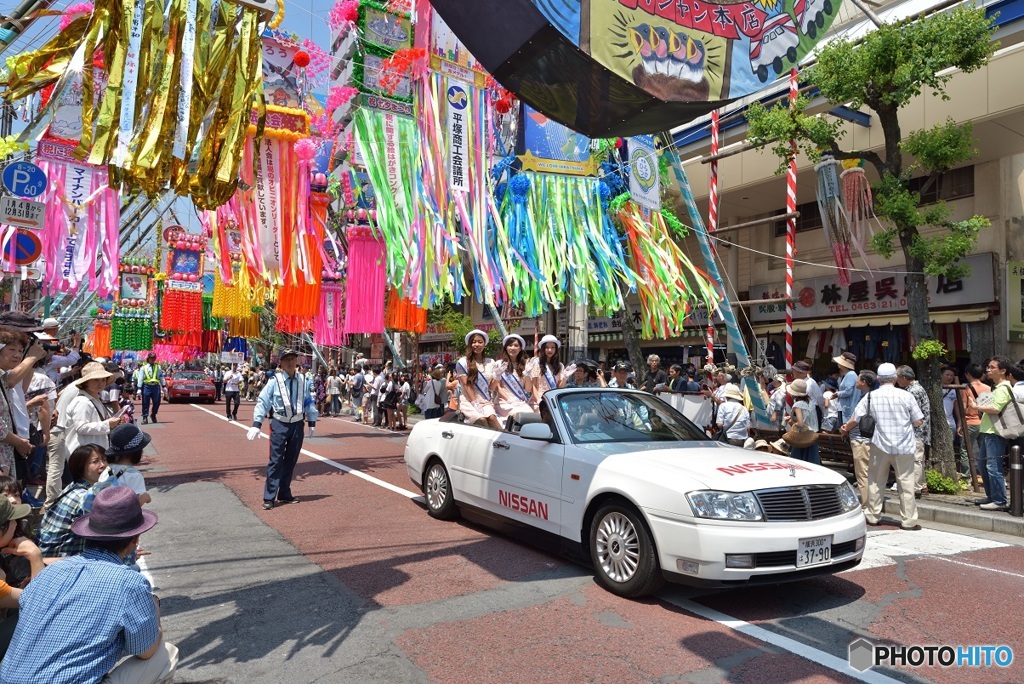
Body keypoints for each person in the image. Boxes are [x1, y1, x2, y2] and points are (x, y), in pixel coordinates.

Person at [2, 486, 178, 684]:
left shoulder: (49, 572)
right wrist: (154, 609)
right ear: (135, 540)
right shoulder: (129, 582)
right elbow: (146, 651)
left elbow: (27, 608)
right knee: (166, 655)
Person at [841, 362, 923, 530]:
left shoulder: (871, 396)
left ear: (878, 378)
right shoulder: (906, 396)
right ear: (895, 378)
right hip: (904, 445)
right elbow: (918, 421)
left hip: (879, 444)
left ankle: (873, 515)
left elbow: (856, 418)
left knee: (876, 481)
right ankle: (909, 520)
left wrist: (845, 428)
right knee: (906, 483)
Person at [247, 349, 318, 510]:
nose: (290, 362)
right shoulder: (274, 381)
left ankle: (285, 492)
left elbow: (308, 401)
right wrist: (256, 424)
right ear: (281, 362)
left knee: (291, 460)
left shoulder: (303, 380)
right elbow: (263, 401)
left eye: (293, 359)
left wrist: (312, 421)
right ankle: (269, 496)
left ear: (296, 361)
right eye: (287, 359)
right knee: (275, 460)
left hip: (297, 424)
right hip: (279, 423)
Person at [37, 444, 110, 557]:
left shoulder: (73, 486)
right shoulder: (85, 497)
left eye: (104, 459)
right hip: (58, 561)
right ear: (81, 468)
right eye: (95, 462)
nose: (103, 465)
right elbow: (102, 533)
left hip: (47, 555)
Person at [969, 356, 1013, 511]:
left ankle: (1000, 500)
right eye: (988, 367)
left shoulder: (1003, 388)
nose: (988, 370)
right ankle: (992, 496)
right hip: (989, 430)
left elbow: (996, 409)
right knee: (984, 465)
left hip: (995, 432)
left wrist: (977, 407)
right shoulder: (996, 387)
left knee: (993, 467)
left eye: (992, 367)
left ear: (1002, 371)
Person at [63, 362, 123, 458]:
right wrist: (108, 424)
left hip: (92, 452)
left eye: (103, 380)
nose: (100, 384)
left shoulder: (94, 399)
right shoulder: (83, 401)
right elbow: (81, 427)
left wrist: (112, 423)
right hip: (84, 454)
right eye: (96, 380)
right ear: (86, 382)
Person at [456, 330, 502, 430]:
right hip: (469, 401)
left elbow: (491, 388)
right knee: (482, 420)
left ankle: (505, 441)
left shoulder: (491, 362)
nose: (477, 344)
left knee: (492, 419)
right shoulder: (463, 362)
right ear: (469, 344)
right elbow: (466, 386)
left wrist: (498, 376)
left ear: (484, 344)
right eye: (474, 342)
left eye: (480, 342)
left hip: (485, 400)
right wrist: (475, 403)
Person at [895, 365, 931, 497]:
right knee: (919, 459)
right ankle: (922, 485)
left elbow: (912, 414)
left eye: (897, 377)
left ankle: (915, 488)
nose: (896, 380)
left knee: (915, 459)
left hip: (916, 431)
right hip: (919, 430)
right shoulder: (914, 388)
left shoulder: (913, 391)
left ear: (904, 377)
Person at [100, 423, 152, 505]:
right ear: (137, 452)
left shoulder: (107, 469)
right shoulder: (134, 475)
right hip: (123, 516)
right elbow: (134, 506)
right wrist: (145, 498)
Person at [492, 334, 534, 421]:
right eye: (510, 345)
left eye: (516, 345)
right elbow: (497, 388)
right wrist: (509, 400)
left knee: (531, 416)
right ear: (506, 347)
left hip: (520, 402)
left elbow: (528, 389)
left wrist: (527, 374)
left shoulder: (526, 364)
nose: (513, 348)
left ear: (520, 348)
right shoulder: (499, 364)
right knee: (517, 415)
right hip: (503, 402)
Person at [526, 334, 574, 408]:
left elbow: (559, 388)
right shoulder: (536, 363)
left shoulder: (560, 366)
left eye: (552, 347)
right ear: (542, 349)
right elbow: (533, 386)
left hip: (553, 399)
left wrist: (565, 378)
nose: (549, 350)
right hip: (539, 400)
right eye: (547, 347)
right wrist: (539, 401)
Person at [960, 362, 988, 482]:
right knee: (984, 450)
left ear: (968, 374)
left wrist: (960, 424)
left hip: (970, 422)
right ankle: (985, 475)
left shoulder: (965, 388)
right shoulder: (988, 388)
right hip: (984, 422)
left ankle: (966, 477)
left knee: (965, 449)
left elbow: (964, 407)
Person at [785, 378, 821, 464]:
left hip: (802, 437)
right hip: (812, 436)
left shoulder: (798, 405)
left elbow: (800, 424)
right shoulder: (810, 402)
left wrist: (790, 421)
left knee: (798, 463)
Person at [833, 351, 860, 426]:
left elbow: (848, 391)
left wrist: (837, 394)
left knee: (845, 429)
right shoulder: (847, 374)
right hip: (844, 407)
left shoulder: (850, 375)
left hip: (847, 408)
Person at [136, 352, 164, 424]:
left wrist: (164, 386)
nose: (153, 360)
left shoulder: (158, 367)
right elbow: (140, 378)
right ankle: (145, 417)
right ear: (148, 359)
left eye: (154, 358)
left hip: (156, 386)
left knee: (157, 402)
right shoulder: (143, 368)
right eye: (151, 358)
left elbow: (161, 377)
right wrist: (139, 388)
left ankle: (153, 414)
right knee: (145, 403)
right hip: (146, 386)